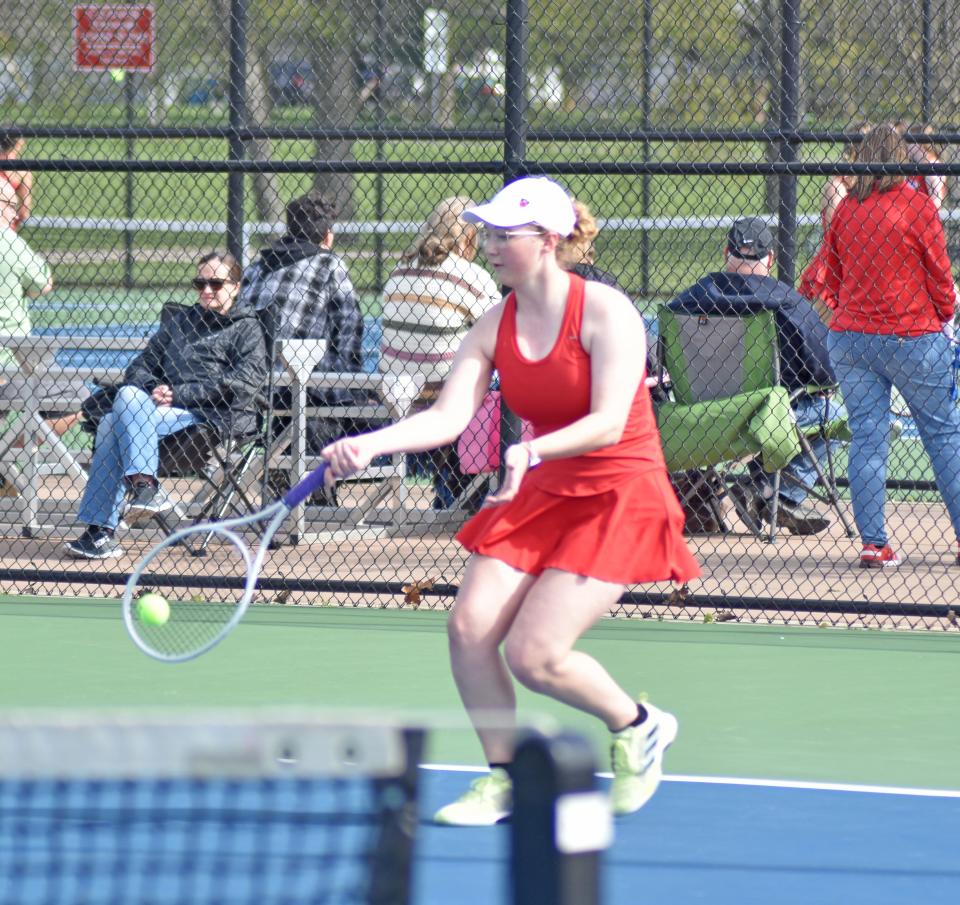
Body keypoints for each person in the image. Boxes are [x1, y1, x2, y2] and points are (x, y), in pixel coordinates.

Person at [322, 176, 700, 823]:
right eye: (488, 232)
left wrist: (533, 450)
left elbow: (611, 420)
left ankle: (638, 725)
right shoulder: (493, 323)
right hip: (544, 486)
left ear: (549, 241)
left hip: (620, 491)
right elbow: (447, 415)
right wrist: (372, 442)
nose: (491, 244)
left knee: (534, 653)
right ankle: (504, 776)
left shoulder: (608, 313)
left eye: (506, 234)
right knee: (469, 627)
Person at [65, 253, 267, 560]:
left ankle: (101, 531)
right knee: (128, 398)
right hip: (160, 413)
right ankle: (144, 488)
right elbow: (140, 366)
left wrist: (179, 394)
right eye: (200, 283)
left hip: (212, 416)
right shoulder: (180, 321)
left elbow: (242, 384)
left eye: (216, 283)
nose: (206, 290)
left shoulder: (247, 328)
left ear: (236, 287)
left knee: (111, 424)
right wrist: (153, 388)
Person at [823, 123, 960, 568]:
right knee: (942, 434)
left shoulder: (847, 211)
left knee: (867, 436)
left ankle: (873, 543)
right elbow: (940, 276)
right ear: (902, 159)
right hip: (912, 338)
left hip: (853, 340)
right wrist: (945, 313)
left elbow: (836, 277)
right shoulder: (918, 207)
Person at [667, 217, 842, 536]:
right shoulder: (787, 301)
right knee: (835, 412)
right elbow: (825, 370)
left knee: (771, 400)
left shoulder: (689, 300)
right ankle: (777, 494)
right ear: (771, 258)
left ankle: (757, 489)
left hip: (703, 418)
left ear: (725, 252)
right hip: (767, 419)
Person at [379, 196, 500, 508]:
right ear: (470, 237)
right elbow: (500, 328)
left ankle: (450, 489)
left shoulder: (399, 269)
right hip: (444, 395)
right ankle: (462, 491)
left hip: (394, 390)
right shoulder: (470, 277)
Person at [238, 190, 364, 455]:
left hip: (250, 384)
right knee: (369, 414)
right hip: (302, 383)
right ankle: (313, 483)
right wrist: (354, 389)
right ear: (327, 235)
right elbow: (350, 326)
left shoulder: (257, 267)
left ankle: (285, 461)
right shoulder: (329, 264)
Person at [798, 122, 871, 319]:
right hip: (835, 263)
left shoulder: (869, 183)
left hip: (863, 262)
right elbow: (837, 233)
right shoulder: (837, 186)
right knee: (828, 329)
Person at [0, 129, 32, 231]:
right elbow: (24, 210)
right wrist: (12, 226)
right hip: (5, 227)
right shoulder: (22, 171)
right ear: (18, 143)